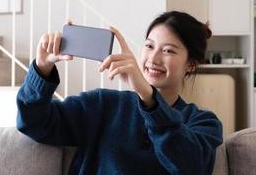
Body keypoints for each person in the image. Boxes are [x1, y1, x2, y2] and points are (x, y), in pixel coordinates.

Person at [16, 11, 223, 175]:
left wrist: (148, 97)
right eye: (149, 46)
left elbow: (191, 166)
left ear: (191, 65)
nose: (153, 58)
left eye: (168, 50)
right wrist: (42, 68)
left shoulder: (203, 123)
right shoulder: (102, 105)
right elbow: (33, 123)